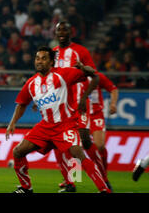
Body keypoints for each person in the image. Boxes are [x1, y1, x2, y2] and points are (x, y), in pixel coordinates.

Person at [6, 46, 110, 193]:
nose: (39, 61)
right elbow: (22, 104)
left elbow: (94, 75)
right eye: (37, 58)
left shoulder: (64, 74)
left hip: (65, 124)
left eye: (43, 58)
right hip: (45, 126)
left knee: (78, 155)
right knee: (18, 152)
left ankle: (104, 189)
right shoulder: (31, 83)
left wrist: (84, 69)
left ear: (51, 62)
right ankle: (26, 188)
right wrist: (12, 123)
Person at [52, 20, 106, 192]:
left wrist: (84, 97)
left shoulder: (80, 51)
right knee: (63, 144)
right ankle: (72, 181)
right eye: (59, 30)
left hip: (79, 103)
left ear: (71, 32)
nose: (61, 32)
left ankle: (102, 177)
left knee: (85, 141)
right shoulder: (53, 53)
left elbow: (94, 74)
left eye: (64, 30)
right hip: (59, 106)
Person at [81, 72, 118, 188]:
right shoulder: (73, 75)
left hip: (96, 114)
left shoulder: (97, 76)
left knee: (100, 145)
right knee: (74, 148)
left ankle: (104, 175)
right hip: (81, 114)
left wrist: (113, 104)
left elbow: (113, 89)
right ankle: (70, 179)